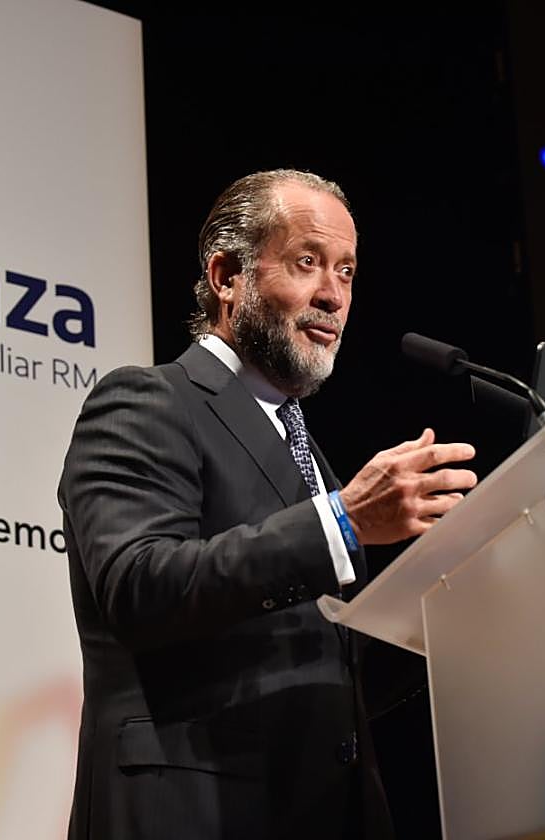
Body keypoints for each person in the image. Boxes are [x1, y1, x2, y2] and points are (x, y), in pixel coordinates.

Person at [57, 169, 477, 839]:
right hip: (192, 808)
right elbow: (140, 584)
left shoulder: (309, 452)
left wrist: (450, 616)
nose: (333, 296)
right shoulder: (147, 402)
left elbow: (328, 663)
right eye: (308, 262)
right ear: (227, 276)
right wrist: (342, 520)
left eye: (346, 272)